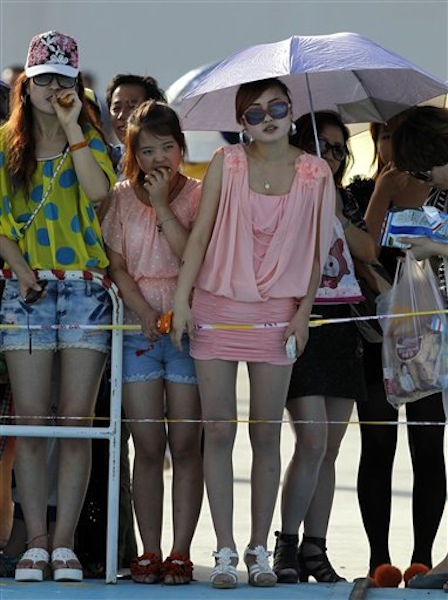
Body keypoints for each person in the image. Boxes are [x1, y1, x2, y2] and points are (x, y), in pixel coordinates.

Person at [171, 77, 336, 589]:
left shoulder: (316, 172)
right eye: (253, 113)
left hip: (277, 313)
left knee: (266, 433)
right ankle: (223, 550)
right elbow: (199, 236)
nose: (267, 118)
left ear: (292, 111)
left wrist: (303, 313)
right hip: (216, 307)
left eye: (277, 107)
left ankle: (259, 549)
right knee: (217, 430)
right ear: (240, 123)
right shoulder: (228, 163)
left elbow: (315, 252)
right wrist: (181, 300)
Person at [0, 30, 116, 582]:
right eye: (42, 78)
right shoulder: (4, 144)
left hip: (86, 290)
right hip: (24, 290)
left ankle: (65, 543)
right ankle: (36, 541)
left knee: (76, 422)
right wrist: (21, 270)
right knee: (30, 423)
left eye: (62, 79)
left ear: (75, 83)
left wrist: (73, 127)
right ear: (26, 83)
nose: (52, 88)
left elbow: (98, 196)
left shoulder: (90, 140)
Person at [101, 100, 203, 585]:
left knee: (185, 445)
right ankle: (150, 548)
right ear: (132, 154)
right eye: (147, 150)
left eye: (167, 147)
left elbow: (193, 256)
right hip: (138, 329)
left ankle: (181, 551)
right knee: (147, 444)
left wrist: (163, 205)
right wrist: (142, 311)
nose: (159, 158)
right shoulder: (120, 198)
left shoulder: (200, 194)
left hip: (189, 327)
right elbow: (117, 265)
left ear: (181, 148)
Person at [273, 111, 375, 584]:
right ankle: (286, 545)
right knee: (310, 440)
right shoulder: (283, 188)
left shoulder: (344, 196)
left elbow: (368, 251)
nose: (331, 156)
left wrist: (335, 207)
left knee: (330, 448)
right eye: (322, 146)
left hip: (343, 322)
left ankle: (316, 547)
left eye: (339, 149)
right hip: (300, 319)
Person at [357, 106, 447, 587]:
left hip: (434, 329)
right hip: (383, 327)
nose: (390, 144)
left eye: (397, 134)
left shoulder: (442, 183)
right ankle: (379, 560)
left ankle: (424, 558)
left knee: (428, 443)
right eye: (383, 134)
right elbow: (365, 250)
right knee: (377, 442)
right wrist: (380, 193)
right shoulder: (373, 186)